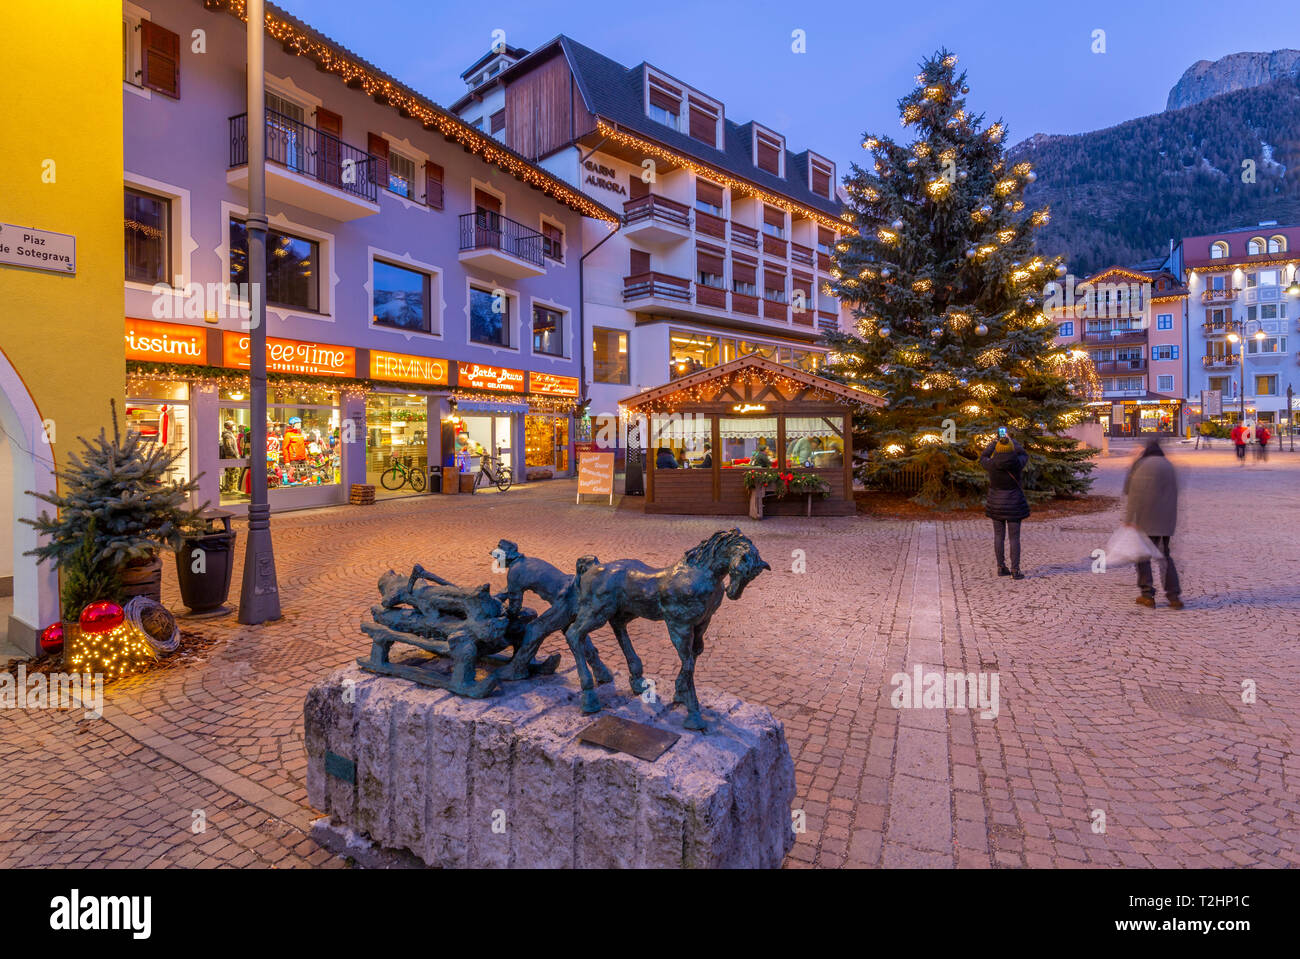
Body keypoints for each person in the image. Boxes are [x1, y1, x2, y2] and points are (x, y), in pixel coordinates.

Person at [1123, 438, 1182, 609]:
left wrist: (1129, 519)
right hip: (1166, 521)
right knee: (1165, 557)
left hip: (1146, 519)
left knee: (1142, 555)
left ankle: (1147, 594)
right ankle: (1174, 596)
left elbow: (1132, 492)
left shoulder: (1142, 465)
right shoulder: (1168, 465)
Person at [979, 431, 1030, 580]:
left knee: (998, 536)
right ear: (1011, 448)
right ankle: (1015, 570)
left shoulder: (991, 464)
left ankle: (1001, 567)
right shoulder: (1017, 463)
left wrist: (995, 442)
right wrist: (1011, 440)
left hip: (996, 504)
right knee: (1014, 538)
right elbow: (1024, 453)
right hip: (1014, 504)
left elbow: (983, 456)